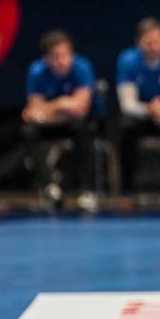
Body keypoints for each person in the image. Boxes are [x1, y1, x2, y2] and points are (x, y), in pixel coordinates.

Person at [22, 30, 97, 210]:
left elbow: (80, 108)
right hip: (47, 122)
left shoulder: (82, 67)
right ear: (46, 59)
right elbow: (34, 114)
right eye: (56, 57)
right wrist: (62, 104)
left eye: (66, 55)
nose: (62, 61)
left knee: (83, 129)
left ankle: (85, 190)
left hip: (74, 122)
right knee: (29, 130)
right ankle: (49, 186)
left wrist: (48, 109)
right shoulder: (36, 71)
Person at [116, 17, 160, 194]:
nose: (154, 47)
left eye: (158, 42)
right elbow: (127, 105)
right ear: (138, 43)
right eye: (149, 43)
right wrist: (149, 109)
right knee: (126, 130)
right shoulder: (127, 61)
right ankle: (127, 190)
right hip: (140, 117)